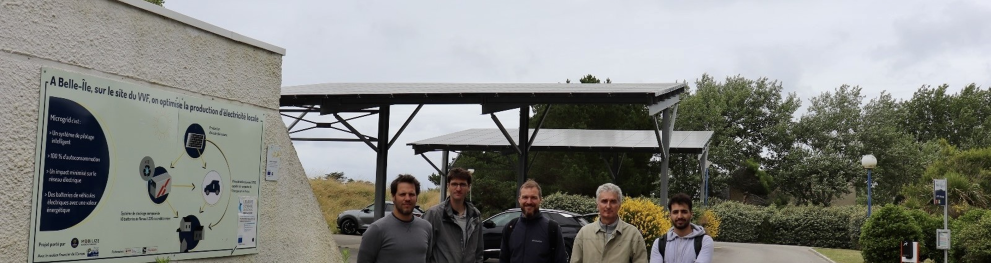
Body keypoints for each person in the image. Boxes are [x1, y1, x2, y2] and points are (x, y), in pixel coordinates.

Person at [357, 174, 433, 263]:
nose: (407, 198)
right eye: (402, 194)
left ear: (416, 197)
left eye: (411, 194)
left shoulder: (426, 227)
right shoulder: (377, 229)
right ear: (393, 197)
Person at [570, 183, 648, 263]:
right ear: (597, 205)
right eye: (604, 201)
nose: (608, 206)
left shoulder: (633, 234)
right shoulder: (584, 233)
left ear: (619, 205)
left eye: (613, 201)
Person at [423, 168, 484, 263]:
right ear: (448, 186)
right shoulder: (434, 214)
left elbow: (478, 252)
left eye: (462, 184)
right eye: (454, 184)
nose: (458, 188)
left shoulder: (475, 215)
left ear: (469, 187)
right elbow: (424, 251)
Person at [500, 179, 568, 263]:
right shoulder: (510, 228)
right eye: (525, 197)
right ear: (519, 200)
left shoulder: (552, 229)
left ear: (540, 200)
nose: (529, 202)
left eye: (533, 198)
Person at [649, 193, 713, 263]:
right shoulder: (659, 244)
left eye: (684, 212)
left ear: (691, 214)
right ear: (670, 215)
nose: (679, 216)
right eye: (675, 212)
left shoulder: (704, 241)